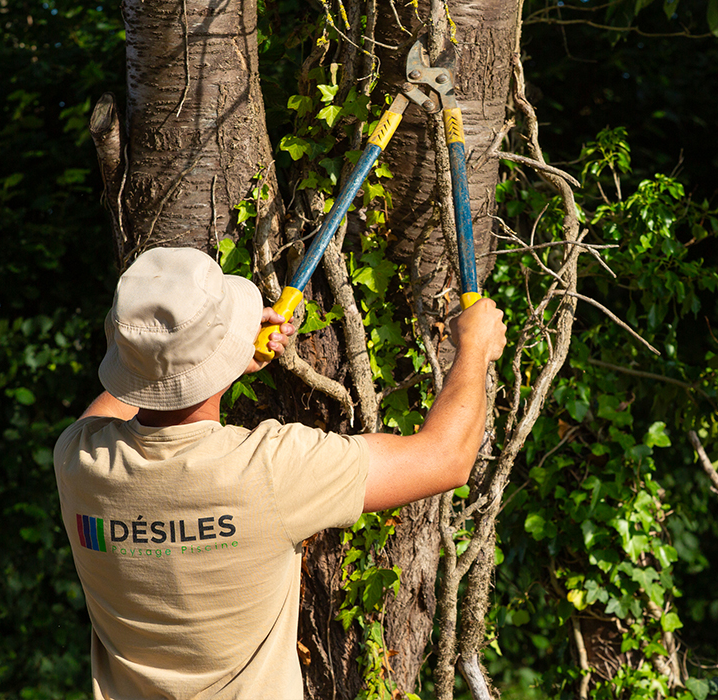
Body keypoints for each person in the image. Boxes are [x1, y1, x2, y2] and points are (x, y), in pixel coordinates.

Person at [54, 246, 506, 700]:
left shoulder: (79, 461)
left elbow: (129, 393)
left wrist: (217, 360)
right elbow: (446, 459)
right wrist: (475, 347)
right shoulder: (270, 468)